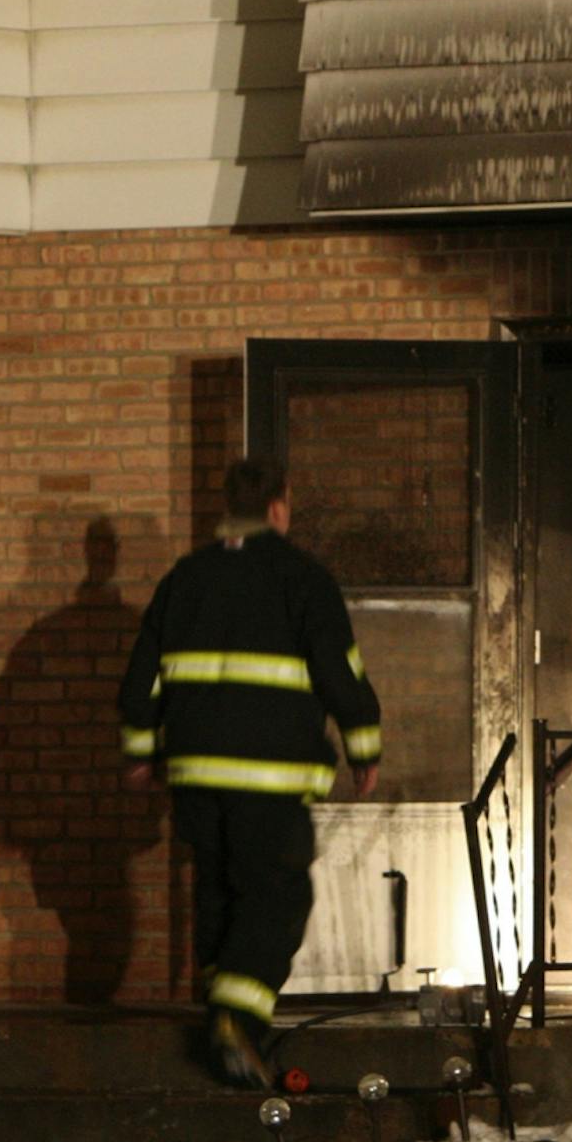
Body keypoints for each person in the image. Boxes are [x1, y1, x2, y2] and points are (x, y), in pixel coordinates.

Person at [117, 457, 381, 1089]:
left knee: (219, 891)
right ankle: (236, 1018)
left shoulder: (185, 577)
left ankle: (224, 1027)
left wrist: (140, 750)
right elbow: (339, 673)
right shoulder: (302, 578)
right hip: (272, 778)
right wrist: (363, 748)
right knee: (276, 896)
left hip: (197, 778)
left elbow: (142, 676)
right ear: (278, 507)